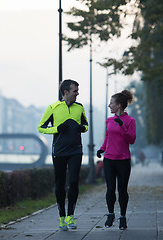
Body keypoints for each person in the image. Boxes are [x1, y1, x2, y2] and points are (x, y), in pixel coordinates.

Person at [38, 79, 88, 231]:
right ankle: (61, 216)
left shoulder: (79, 107)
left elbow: (86, 125)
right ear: (66, 92)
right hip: (59, 151)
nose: (77, 94)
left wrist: (82, 128)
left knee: (73, 181)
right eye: (75, 91)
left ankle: (70, 215)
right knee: (60, 183)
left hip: (76, 150)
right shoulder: (53, 108)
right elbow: (41, 128)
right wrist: (57, 129)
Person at [96, 89, 136, 230]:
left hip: (123, 160)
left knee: (122, 190)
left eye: (111, 103)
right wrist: (102, 148)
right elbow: (107, 137)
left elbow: (131, 140)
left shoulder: (130, 121)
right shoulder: (109, 120)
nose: (109, 106)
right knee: (110, 188)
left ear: (119, 105)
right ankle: (110, 214)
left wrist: (122, 126)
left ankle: (123, 218)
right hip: (109, 159)